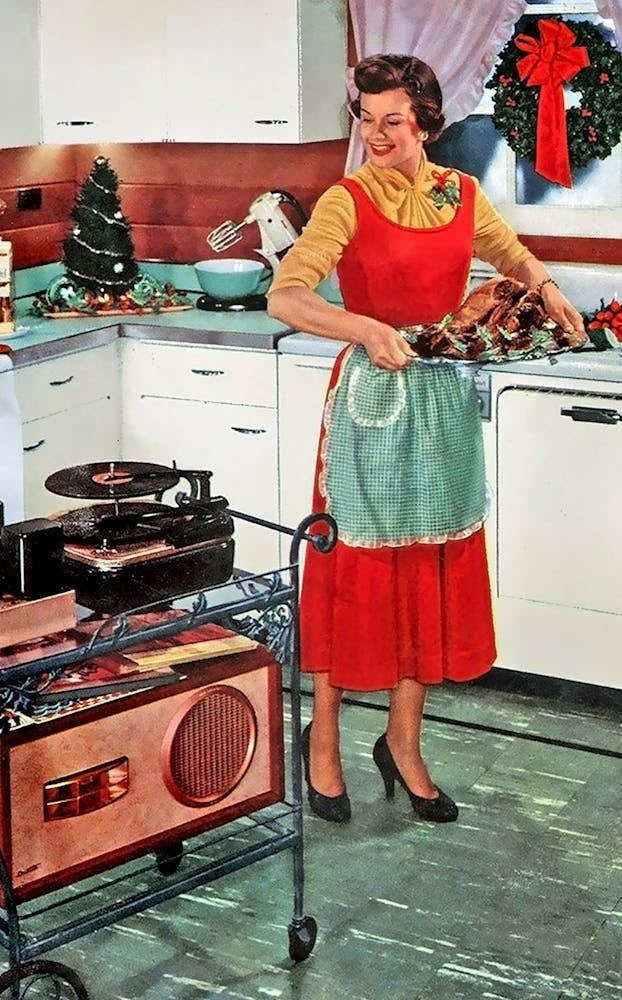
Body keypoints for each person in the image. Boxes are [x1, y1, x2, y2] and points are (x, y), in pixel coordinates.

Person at [267, 54, 587, 825]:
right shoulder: (347, 200)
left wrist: (546, 287)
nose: (376, 136)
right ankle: (325, 737)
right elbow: (288, 293)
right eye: (365, 120)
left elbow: (509, 252)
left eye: (393, 122)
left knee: (427, 571)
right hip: (372, 401)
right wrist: (364, 327)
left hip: (439, 396)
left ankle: (403, 743)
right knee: (359, 573)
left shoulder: (459, 192)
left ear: (426, 125)